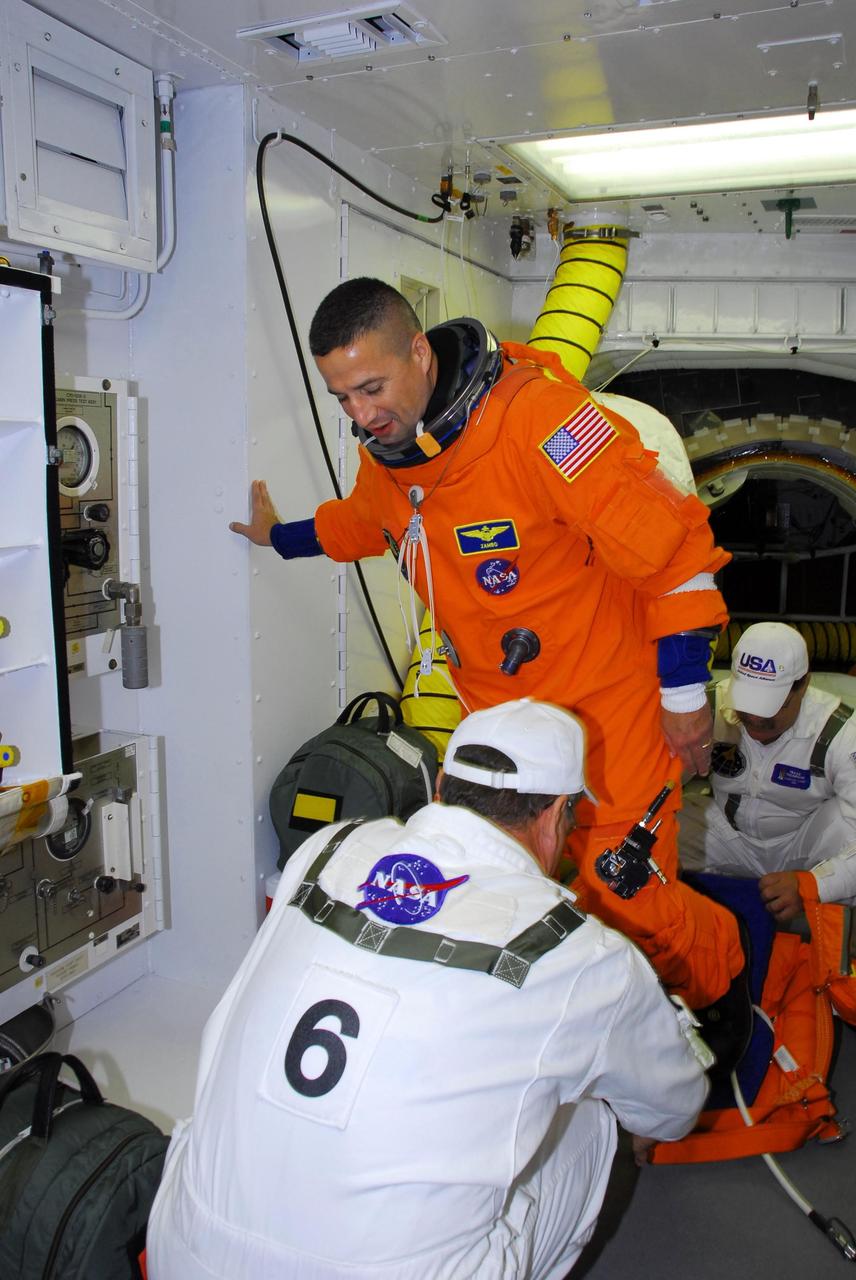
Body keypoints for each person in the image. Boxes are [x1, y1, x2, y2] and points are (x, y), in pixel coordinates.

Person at [230, 277, 744, 1009]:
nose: (361, 415)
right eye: (342, 398)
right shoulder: (392, 454)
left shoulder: (542, 421)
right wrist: (278, 538)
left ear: (419, 352)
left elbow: (676, 553)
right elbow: (362, 523)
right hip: (501, 723)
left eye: (371, 388)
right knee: (494, 888)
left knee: (630, 897)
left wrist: (686, 697)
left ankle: (718, 995)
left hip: (612, 709)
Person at [147, 699, 710, 1280]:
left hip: (187, 1254)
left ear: (440, 784)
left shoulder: (330, 847)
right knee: (593, 1116)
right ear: (556, 814)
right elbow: (672, 1110)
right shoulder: (577, 953)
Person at [680, 621, 856, 922]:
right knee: (652, 827)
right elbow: (652, 787)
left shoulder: (842, 733)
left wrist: (814, 885)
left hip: (805, 846)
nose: (755, 718)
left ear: (803, 685)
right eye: (747, 702)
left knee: (844, 825)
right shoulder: (707, 709)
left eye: (771, 706)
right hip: (726, 837)